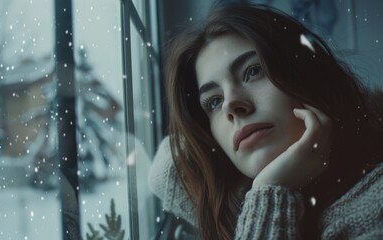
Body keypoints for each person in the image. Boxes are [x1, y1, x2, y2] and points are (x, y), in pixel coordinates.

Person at [148, 3, 383, 240]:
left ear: (308, 77)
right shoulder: (232, 198)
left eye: (252, 71)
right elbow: (166, 168)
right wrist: (269, 187)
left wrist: (270, 191)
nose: (231, 106)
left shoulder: (376, 204)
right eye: (213, 102)